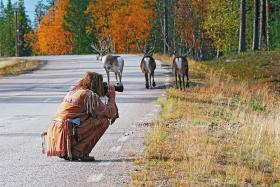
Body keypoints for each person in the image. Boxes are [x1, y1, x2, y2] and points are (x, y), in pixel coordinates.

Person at [45, 72, 118, 161]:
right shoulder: (88, 95)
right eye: (100, 83)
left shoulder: (75, 91)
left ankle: (68, 150)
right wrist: (112, 97)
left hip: (58, 131)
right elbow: (109, 112)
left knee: (89, 118)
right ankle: (79, 151)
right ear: (95, 84)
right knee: (104, 121)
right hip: (68, 129)